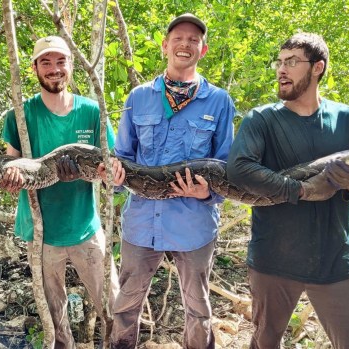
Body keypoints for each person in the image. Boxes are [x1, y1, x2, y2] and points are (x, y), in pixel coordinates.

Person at [226, 33, 349, 349]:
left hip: (335, 260)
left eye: (292, 62)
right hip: (272, 261)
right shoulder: (261, 120)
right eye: (279, 62)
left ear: (317, 67)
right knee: (264, 342)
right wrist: (301, 190)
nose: (281, 69)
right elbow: (239, 169)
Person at [111, 13, 236, 348]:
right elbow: (122, 155)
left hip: (194, 224)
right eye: (178, 38)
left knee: (198, 309)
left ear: (203, 49)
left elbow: (227, 166)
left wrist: (208, 191)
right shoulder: (138, 97)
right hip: (141, 222)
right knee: (125, 305)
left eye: (193, 40)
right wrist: (115, 177)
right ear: (165, 45)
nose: (185, 44)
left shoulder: (219, 101)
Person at [0, 35, 123, 349]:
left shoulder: (93, 112)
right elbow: (9, 166)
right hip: (40, 233)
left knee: (115, 308)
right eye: (46, 62)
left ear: (70, 66)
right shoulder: (20, 115)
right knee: (55, 319)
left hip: (85, 228)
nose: (54, 69)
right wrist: (11, 177)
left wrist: (99, 174)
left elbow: (112, 172)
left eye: (60, 61)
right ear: (35, 68)